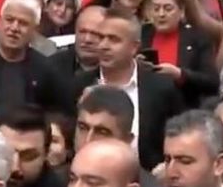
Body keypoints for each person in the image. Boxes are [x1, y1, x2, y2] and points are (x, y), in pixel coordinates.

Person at [77, 10, 187, 171]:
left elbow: (178, 136)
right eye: (100, 37)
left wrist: (166, 168)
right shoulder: (78, 84)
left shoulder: (161, 87)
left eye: (113, 39)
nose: (103, 46)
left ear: (134, 47)